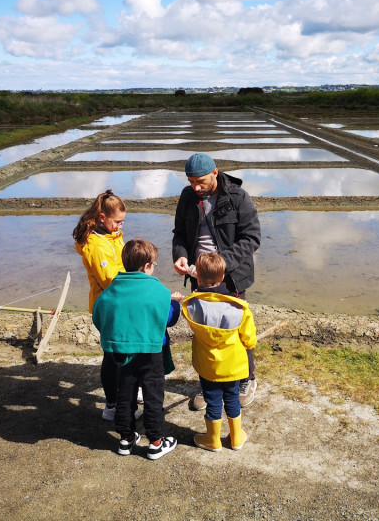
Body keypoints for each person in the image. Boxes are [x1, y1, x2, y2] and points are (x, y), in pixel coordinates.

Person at [172, 152, 261, 408]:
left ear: (215, 172)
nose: (196, 187)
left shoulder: (237, 197)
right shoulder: (188, 197)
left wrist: (221, 263)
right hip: (198, 277)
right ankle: (210, 381)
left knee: (236, 330)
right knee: (205, 331)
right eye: (191, 182)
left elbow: (251, 238)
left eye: (200, 182)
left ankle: (246, 378)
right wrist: (180, 256)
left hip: (231, 277)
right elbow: (179, 233)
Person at [92, 238, 183, 460]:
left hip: (122, 353)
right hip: (152, 352)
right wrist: (175, 303)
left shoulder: (113, 289)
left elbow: (98, 316)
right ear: (146, 266)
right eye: (154, 264)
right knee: (153, 396)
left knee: (126, 395)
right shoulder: (158, 290)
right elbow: (169, 320)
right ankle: (156, 442)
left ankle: (125, 438)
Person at [74, 190, 141, 421]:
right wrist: (139, 279)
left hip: (121, 302)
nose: (120, 226)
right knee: (113, 355)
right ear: (102, 217)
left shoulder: (112, 235)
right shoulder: (96, 245)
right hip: (110, 306)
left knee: (123, 350)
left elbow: (122, 263)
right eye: (117, 222)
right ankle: (112, 405)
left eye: (123, 222)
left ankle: (126, 392)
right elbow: (110, 280)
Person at [182, 253, 257, 451]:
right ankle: (236, 437)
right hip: (232, 366)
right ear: (223, 277)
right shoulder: (239, 308)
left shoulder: (191, 305)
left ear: (197, 278)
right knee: (232, 398)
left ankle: (213, 439)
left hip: (207, 365)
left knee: (213, 399)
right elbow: (249, 340)